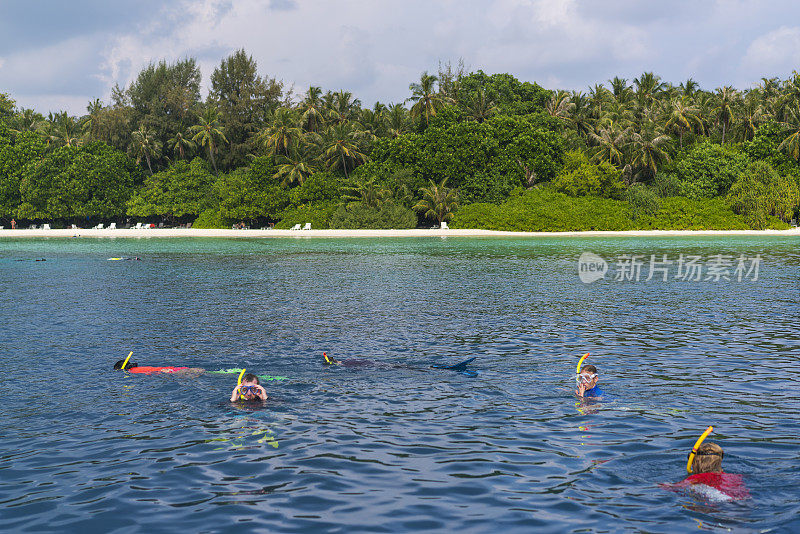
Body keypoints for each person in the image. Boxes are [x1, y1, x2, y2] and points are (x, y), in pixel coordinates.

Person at [665, 442, 749, 501]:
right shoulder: (734, 476)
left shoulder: (695, 478)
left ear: (694, 462)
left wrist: (660, 485)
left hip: (723, 502)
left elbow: (674, 487)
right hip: (744, 501)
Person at [113, 359, 204, 376]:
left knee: (193, 373)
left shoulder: (132, 372)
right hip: (168, 368)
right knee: (196, 371)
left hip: (166, 372)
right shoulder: (137, 368)